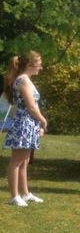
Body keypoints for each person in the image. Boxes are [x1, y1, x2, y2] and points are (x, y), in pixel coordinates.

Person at [3, 52, 48, 207]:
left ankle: (25, 193)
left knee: (24, 161)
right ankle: (14, 196)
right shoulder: (23, 81)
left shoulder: (26, 80)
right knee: (17, 161)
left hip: (29, 124)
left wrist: (39, 124)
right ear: (29, 65)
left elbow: (34, 106)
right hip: (23, 124)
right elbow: (31, 107)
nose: (41, 68)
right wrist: (43, 120)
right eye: (39, 64)